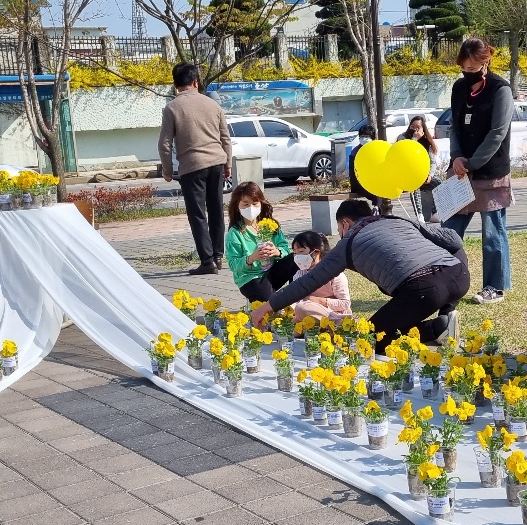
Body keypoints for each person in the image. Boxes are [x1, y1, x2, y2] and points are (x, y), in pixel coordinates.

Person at [252, 199, 469, 353]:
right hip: (459, 276)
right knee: (391, 320)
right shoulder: (398, 220)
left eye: (339, 228)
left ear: (345, 223)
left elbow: (307, 283)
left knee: (370, 340)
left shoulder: (349, 242)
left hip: (424, 289)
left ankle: (437, 328)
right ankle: (447, 316)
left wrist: (267, 307)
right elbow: (454, 241)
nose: (340, 233)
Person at [446, 37, 515, 305]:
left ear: (486, 63)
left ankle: (494, 287)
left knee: (492, 232)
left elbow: (498, 132)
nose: (467, 73)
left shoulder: (501, 89)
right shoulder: (459, 87)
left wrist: (473, 162)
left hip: (490, 171)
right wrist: (456, 157)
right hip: (460, 170)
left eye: (473, 68)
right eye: (464, 68)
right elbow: (454, 126)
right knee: (449, 230)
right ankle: (444, 280)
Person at [160, 62, 234, 275]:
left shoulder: (172, 108)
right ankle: (218, 256)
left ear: (176, 84)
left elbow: (165, 143)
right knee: (216, 210)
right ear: (195, 82)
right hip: (216, 163)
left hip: (191, 166)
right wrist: (227, 164)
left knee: (197, 214)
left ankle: (207, 261)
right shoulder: (213, 105)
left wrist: (167, 170)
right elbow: (225, 138)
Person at [224, 181, 296, 303]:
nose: (250, 208)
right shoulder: (235, 232)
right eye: (245, 204)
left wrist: (277, 252)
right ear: (237, 205)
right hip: (250, 278)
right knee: (270, 302)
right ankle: (263, 299)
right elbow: (233, 264)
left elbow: (285, 247)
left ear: (261, 203)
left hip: (271, 271)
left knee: (297, 258)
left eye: (254, 203)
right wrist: (251, 258)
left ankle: (297, 294)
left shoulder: (269, 225)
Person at [288, 230, 352, 321]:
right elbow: (295, 299)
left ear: (316, 252)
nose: (297, 256)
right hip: (306, 312)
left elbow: (345, 303)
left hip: (333, 313)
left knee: (302, 308)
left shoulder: (334, 274)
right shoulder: (299, 275)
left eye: (301, 251)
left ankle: (336, 322)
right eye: (295, 253)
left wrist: (318, 301)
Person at [398, 115, 441, 222]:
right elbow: (407, 153)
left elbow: (432, 162)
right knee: (414, 186)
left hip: (424, 174)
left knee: (438, 183)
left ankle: (435, 212)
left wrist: (430, 175)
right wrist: (415, 139)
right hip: (408, 174)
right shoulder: (403, 138)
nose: (415, 129)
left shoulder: (427, 141)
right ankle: (419, 214)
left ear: (423, 129)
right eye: (412, 126)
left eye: (418, 127)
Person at [348, 125, 392, 215]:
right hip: (360, 183)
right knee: (376, 189)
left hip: (375, 181)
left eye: (367, 136)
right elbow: (353, 174)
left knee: (380, 186)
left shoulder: (376, 149)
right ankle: (377, 207)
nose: (364, 139)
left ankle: (378, 209)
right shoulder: (355, 152)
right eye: (362, 136)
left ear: (372, 138)